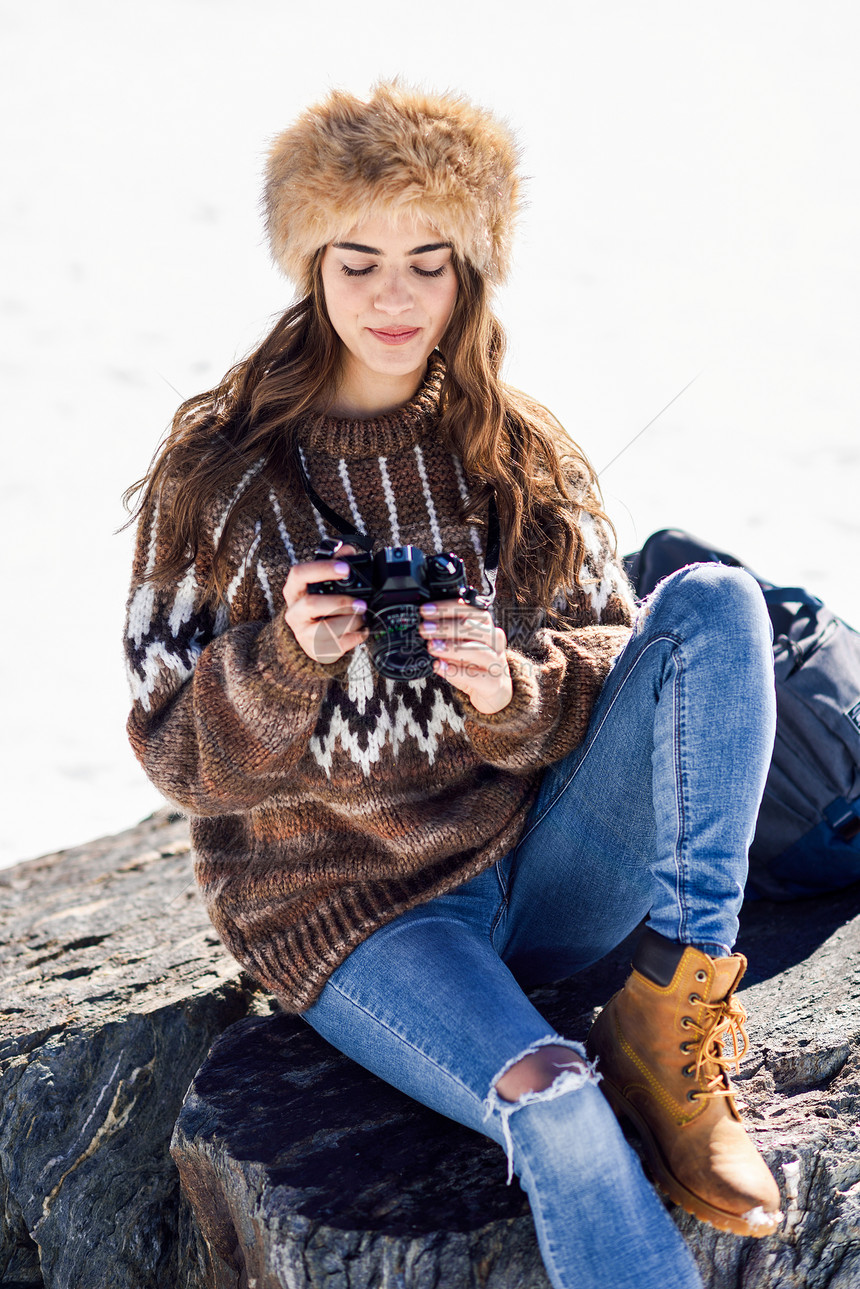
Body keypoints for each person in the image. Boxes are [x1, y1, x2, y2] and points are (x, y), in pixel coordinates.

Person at [124, 83, 783, 1289]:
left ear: (468, 272)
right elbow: (174, 754)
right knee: (557, 1105)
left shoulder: (511, 446)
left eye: (428, 262)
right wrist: (285, 661)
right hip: (362, 917)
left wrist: (512, 686)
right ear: (309, 262)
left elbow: (610, 657)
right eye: (358, 259)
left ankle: (672, 1006)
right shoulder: (215, 475)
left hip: (536, 864)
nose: (392, 297)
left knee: (714, 605)